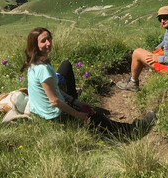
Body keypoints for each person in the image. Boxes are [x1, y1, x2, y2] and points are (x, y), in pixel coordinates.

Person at [21, 27, 153, 133]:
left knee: (66, 72)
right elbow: (54, 101)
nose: (48, 43)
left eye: (49, 38)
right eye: (43, 41)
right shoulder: (43, 69)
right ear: (36, 45)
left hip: (40, 113)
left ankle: (78, 104)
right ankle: (133, 130)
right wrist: (78, 115)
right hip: (55, 117)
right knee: (94, 117)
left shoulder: (32, 64)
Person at [116, 5, 168, 91]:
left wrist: (158, 58)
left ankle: (133, 83)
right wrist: (158, 49)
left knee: (137, 53)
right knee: (140, 53)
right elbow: (166, 42)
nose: (162, 21)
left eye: (165, 18)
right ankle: (133, 80)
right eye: (160, 19)